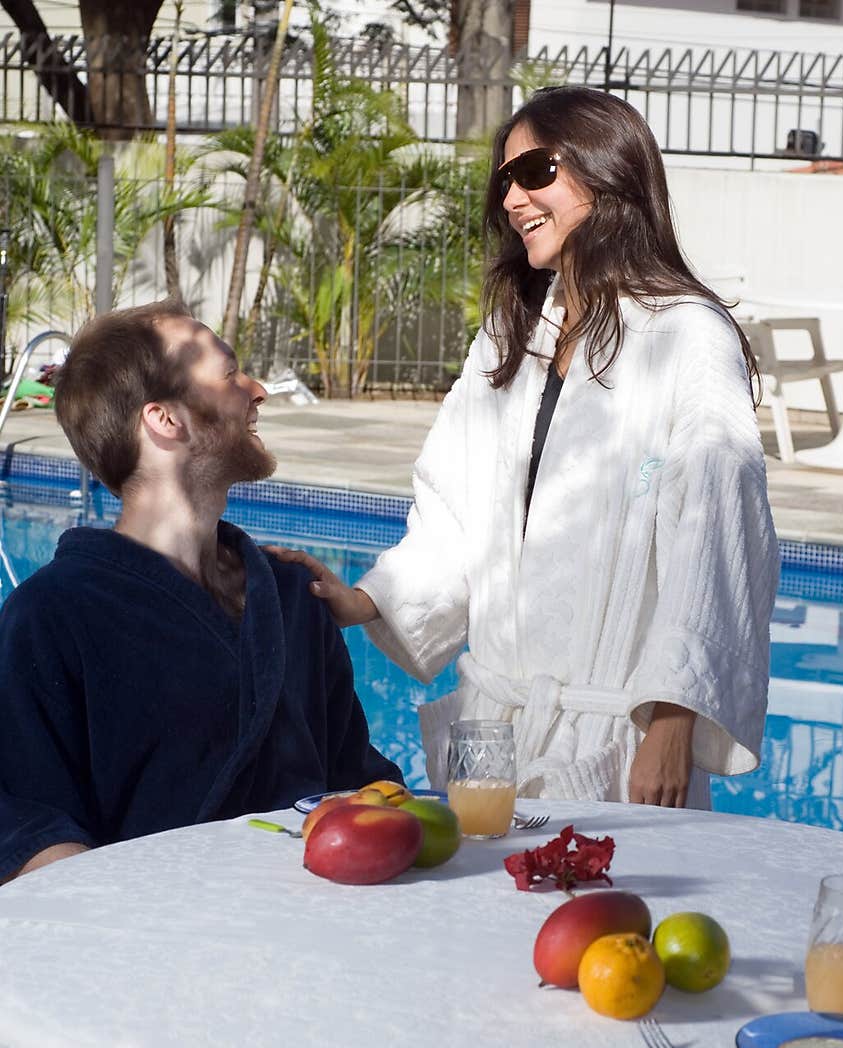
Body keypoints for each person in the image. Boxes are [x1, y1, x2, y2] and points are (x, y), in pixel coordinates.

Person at [277, 85, 779, 810]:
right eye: (505, 179)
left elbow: (716, 529)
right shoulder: (512, 336)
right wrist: (364, 600)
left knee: (602, 919)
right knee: (478, 907)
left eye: (536, 171)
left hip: (618, 732)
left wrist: (673, 722)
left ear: (608, 171)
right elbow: (453, 506)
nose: (513, 199)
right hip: (493, 720)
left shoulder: (686, 335)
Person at [0, 300, 400, 882]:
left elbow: (359, 781)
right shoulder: (51, 615)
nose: (257, 389)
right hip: (153, 945)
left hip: (317, 929)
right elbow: (24, 820)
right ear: (166, 419)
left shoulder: (291, 596)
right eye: (230, 371)